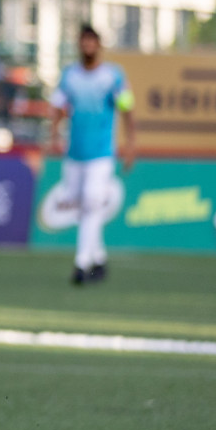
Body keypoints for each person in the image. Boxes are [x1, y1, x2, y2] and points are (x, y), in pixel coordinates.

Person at [48, 25, 135, 284]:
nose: (88, 47)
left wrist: (131, 143)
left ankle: (81, 264)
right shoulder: (70, 76)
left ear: (98, 45)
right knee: (78, 203)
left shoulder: (113, 76)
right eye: (83, 42)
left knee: (91, 203)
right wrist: (53, 135)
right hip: (75, 154)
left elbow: (127, 109)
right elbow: (57, 107)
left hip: (101, 154)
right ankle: (98, 256)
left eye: (92, 42)